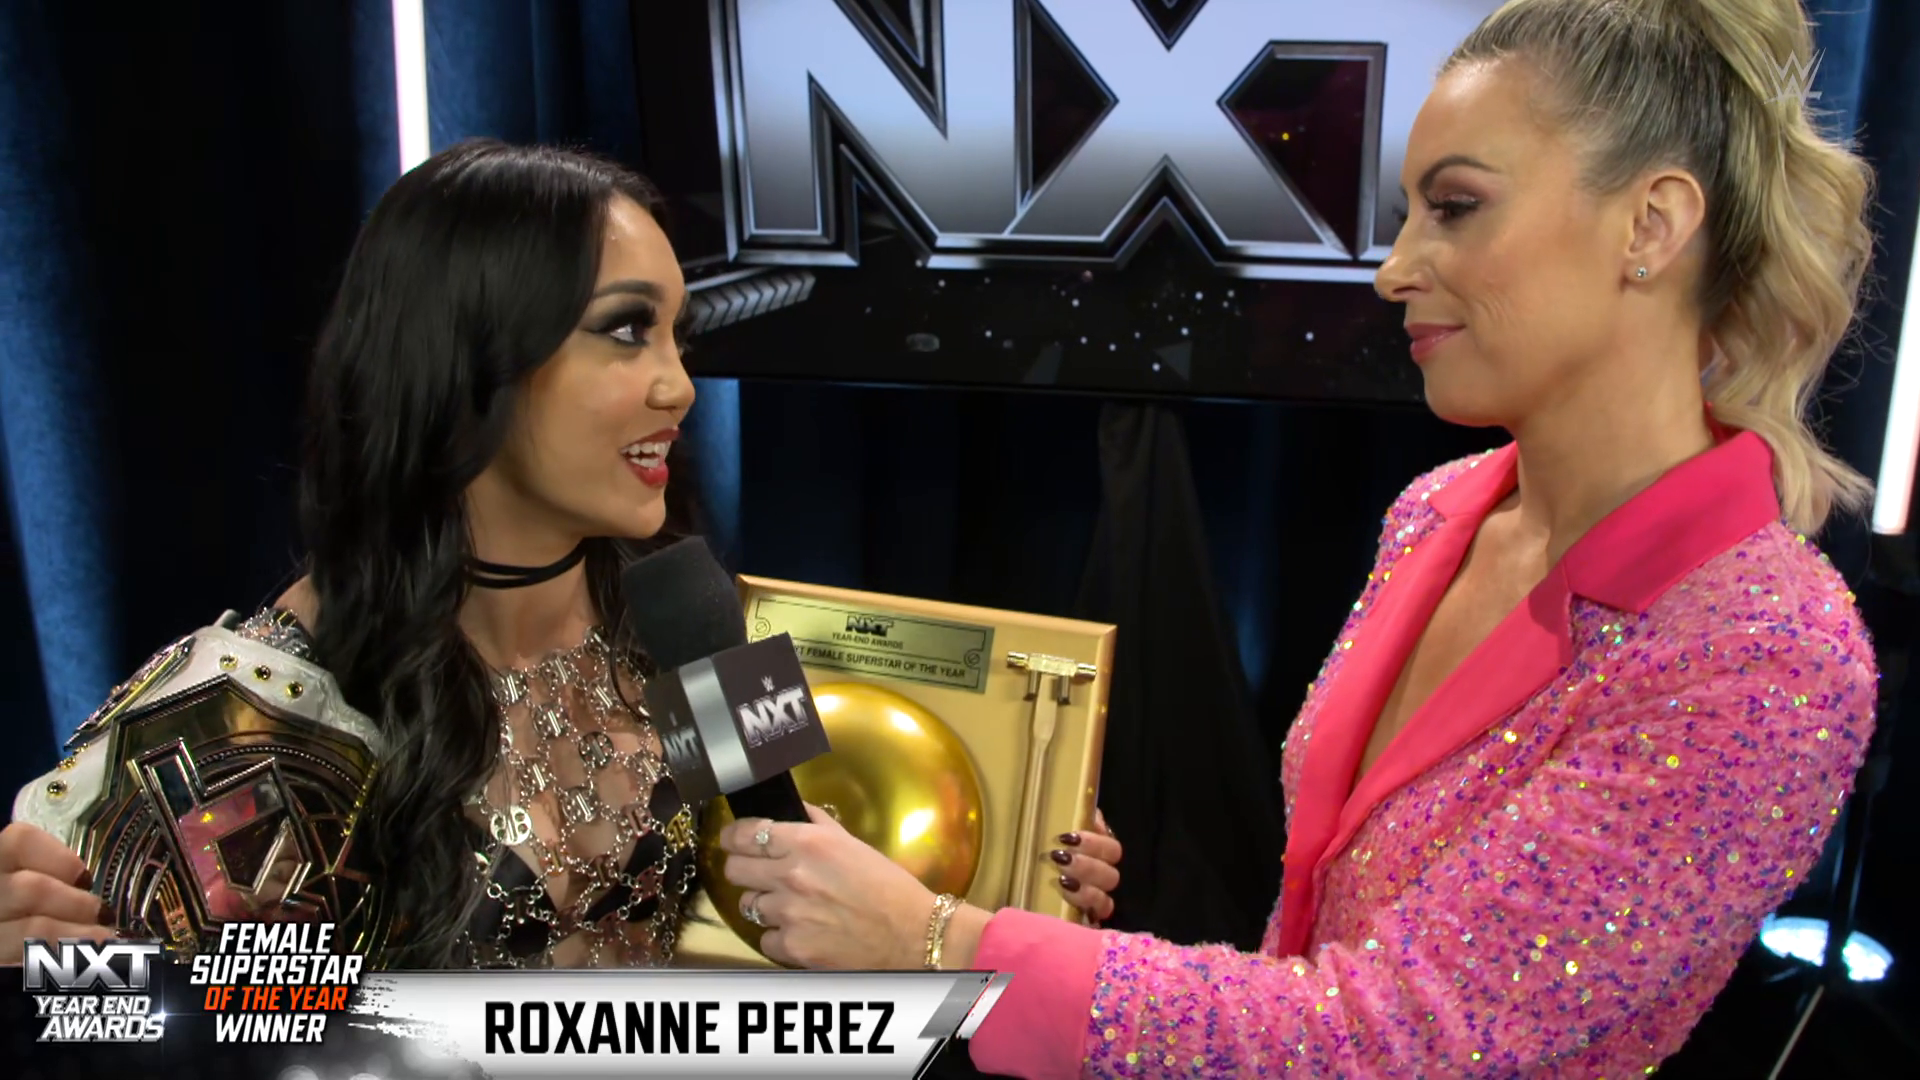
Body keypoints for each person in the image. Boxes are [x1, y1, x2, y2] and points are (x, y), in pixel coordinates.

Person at [709, 0, 1880, 1075]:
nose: (1395, 270)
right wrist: (1013, 874)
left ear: (1651, 224)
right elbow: (1315, 946)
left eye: (1455, 208)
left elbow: (1387, 1041)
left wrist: (945, 945)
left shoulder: (1767, 654)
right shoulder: (1441, 509)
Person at [0, 139, 1121, 969]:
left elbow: (804, 899)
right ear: (468, 355)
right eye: (627, 330)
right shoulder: (238, 734)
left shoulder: (690, 616)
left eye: (680, 335)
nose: (679, 387)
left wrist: (1024, 871)